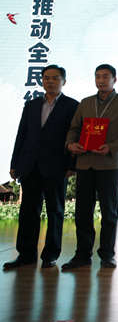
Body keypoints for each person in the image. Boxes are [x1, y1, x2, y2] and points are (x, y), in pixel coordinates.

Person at [62, 64, 118, 270]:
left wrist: (111, 147)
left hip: (109, 163)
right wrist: (70, 144)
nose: (101, 80)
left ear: (114, 80)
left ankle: (107, 254)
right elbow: (74, 129)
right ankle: (82, 255)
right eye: (97, 77)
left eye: (105, 77)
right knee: (82, 212)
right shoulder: (85, 103)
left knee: (109, 212)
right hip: (85, 163)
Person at [5, 65, 79, 269]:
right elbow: (22, 134)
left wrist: (72, 165)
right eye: (46, 78)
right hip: (30, 166)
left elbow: (75, 137)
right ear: (42, 80)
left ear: (64, 81)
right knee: (28, 212)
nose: (50, 81)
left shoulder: (72, 106)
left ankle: (50, 255)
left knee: (55, 212)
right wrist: (15, 163)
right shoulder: (32, 105)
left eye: (55, 78)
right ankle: (26, 255)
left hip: (57, 167)